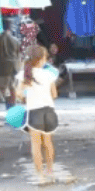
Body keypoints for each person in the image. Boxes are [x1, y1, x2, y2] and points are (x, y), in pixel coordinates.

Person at [18, 46, 60, 181]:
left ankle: (40, 175)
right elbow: (54, 94)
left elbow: (19, 94)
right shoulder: (49, 74)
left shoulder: (24, 75)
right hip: (48, 111)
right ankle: (50, 171)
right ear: (42, 59)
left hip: (34, 112)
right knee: (48, 143)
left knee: (36, 145)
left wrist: (27, 97)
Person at [0, 23, 21, 106]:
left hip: (2, 65)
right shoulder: (16, 40)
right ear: (10, 29)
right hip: (14, 65)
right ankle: (12, 102)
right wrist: (19, 67)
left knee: (2, 86)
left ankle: (7, 101)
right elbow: (19, 55)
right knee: (12, 85)